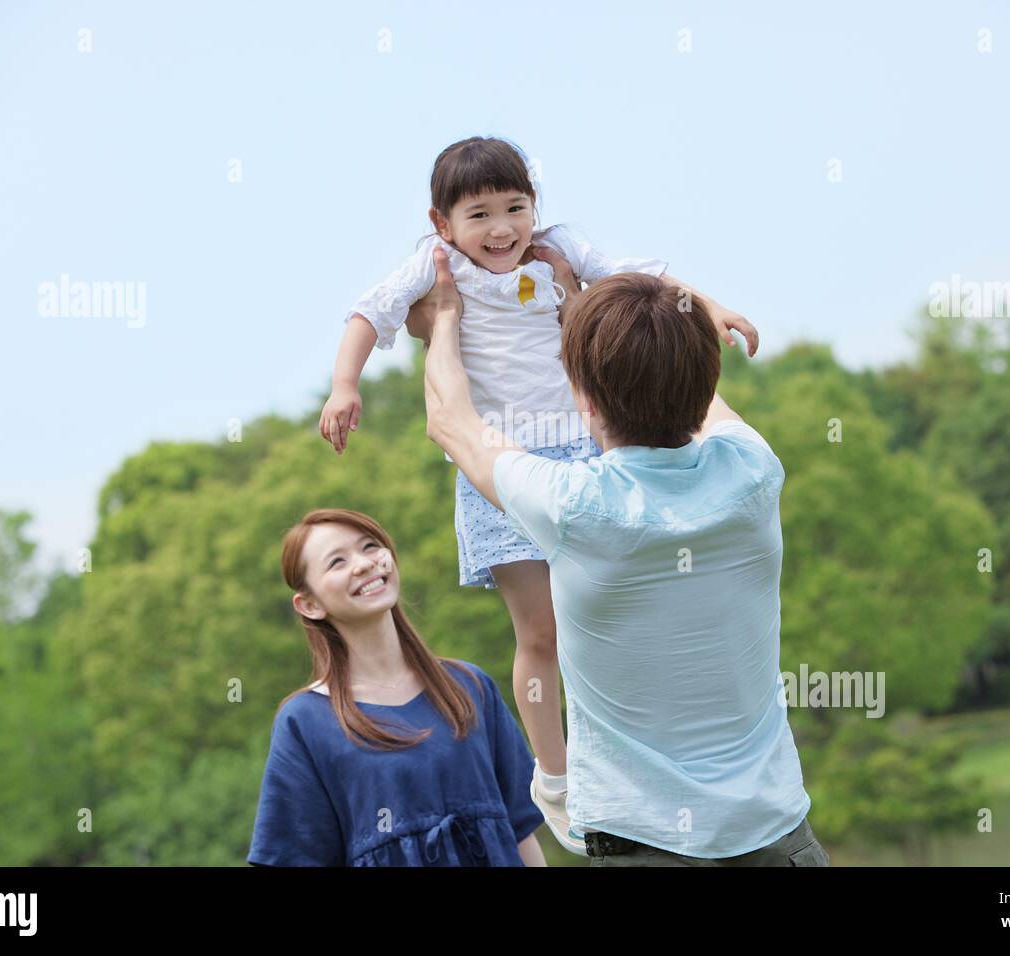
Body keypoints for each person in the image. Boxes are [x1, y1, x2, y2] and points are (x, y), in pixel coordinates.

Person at [317, 136, 757, 848]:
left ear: (536, 206)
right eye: (480, 214)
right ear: (443, 223)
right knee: (542, 631)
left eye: (516, 207)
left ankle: (639, 749)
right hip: (502, 461)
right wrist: (345, 386)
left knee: (609, 612)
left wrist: (711, 308)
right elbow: (369, 313)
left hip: (587, 450)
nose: (502, 229)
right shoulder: (437, 269)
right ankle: (553, 774)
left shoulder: (559, 248)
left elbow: (639, 277)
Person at [418, 246, 830, 866]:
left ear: (581, 400)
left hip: (641, 843)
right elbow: (694, 389)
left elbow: (451, 419)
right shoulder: (752, 472)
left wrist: (447, 316)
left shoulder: (574, 505)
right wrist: (600, 312)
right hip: (778, 836)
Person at [246, 507, 546, 866]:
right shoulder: (305, 722)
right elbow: (294, 855)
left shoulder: (469, 686)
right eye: (337, 562)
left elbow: (520, 831)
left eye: (370, 546)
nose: (363, 564)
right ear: (309, 604)